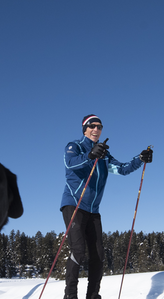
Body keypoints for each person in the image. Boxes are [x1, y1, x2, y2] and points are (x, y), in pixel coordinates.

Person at [60, 114, 153, 299]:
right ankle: (70, 296)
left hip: (93, 210)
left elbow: (122, 168)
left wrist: (140, 158)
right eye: (92, 126)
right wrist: (90, 155)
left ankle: (93, 295)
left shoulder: (104, 154)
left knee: (98, 254)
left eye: (99, 126)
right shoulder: (75, 146)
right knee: (78, 250)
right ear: (84, 129)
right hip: (74, 205)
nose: (96, 129)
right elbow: (69, 164)